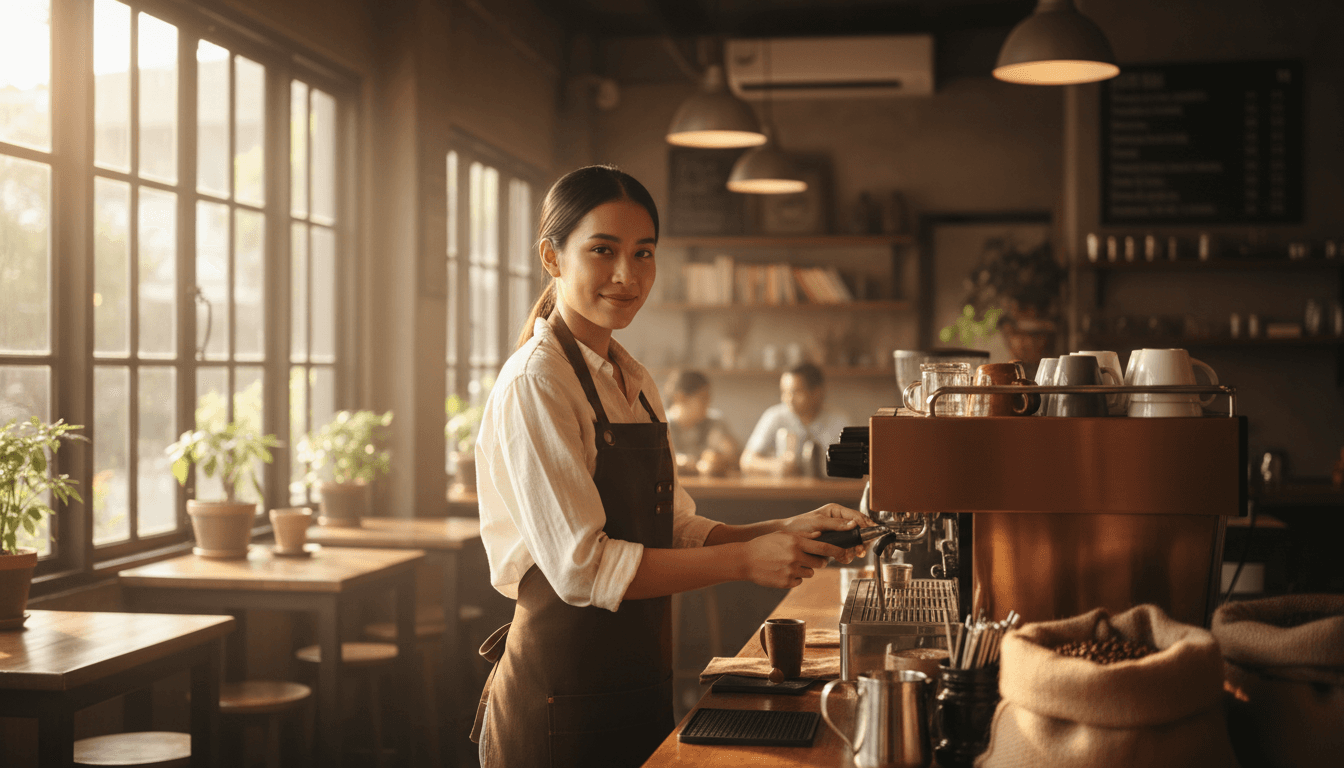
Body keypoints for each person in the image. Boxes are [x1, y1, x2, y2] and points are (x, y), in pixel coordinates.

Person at [470, 165, 871, 768]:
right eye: (602, 251)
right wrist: (743, 560)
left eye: (644, 253)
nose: (627, 275)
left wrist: (783, 530)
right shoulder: (537, 381)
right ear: (552, 257)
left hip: (635, 681)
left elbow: (676, 528)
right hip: (559, 696)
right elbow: (584, 569)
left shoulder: (633, 379)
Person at [740, 362, 850, 478]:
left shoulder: (838, 421)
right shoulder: (775, 416)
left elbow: (852, 465)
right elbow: (746, 461)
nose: (789, 399)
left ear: (817, 392)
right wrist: (777, 466)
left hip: (829, 491)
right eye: (785, 392)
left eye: (796, 392)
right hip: (785, 493)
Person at [664, 369, 739, 477]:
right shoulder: (659, 425)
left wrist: (724, 457)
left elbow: (735, 456)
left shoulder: (715, 422)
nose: (708, 404)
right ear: (680, 397)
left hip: (709, 490)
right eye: (703, 398)